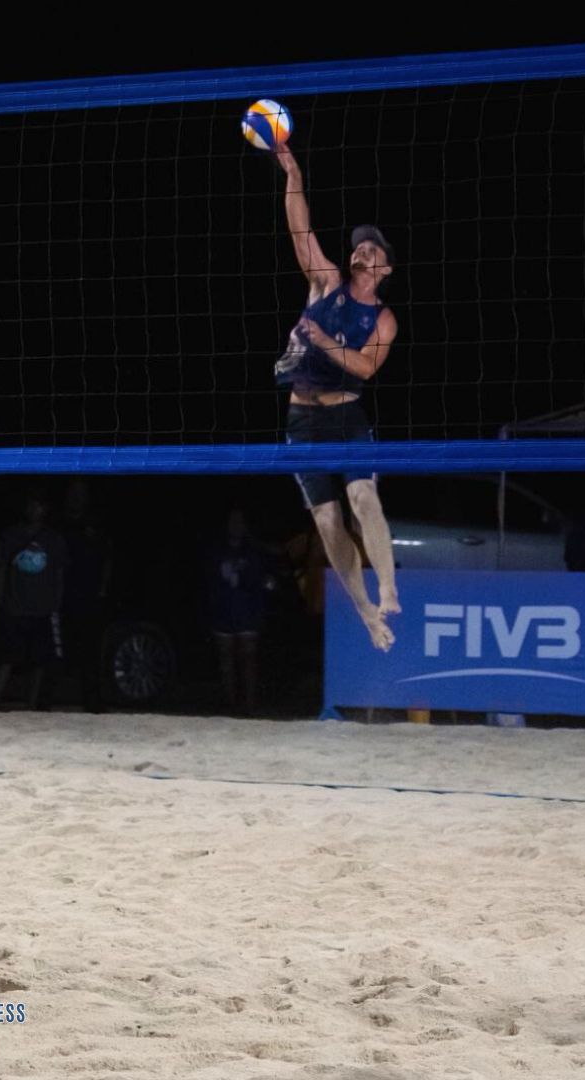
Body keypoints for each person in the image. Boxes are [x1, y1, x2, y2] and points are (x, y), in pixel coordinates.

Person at [270, 136, 400, 651]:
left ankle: (388, 586)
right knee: (326, 522)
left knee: (362, 496)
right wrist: (292, 176)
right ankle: (367, 614)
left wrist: (323, 341)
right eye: (358, 245)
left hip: (347, 416)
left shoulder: (383, 318)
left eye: (373, 248)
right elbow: (299, 229)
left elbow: (366, 368)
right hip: (302, 419)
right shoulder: (325, 283)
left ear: (384, 270)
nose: (362, 250)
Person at [0, 493, 69, 709]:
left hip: (42, 609)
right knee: (7, 658)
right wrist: (0, 601)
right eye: (32, 504)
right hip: (14, 607)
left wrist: (56, 604)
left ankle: (31, 705)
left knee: (39, 661)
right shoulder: (12, 535)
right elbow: (2, 569)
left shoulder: (53, 539)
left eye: (40, 505)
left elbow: (59, 573)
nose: (36, 510)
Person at [205, 508, 273, 715]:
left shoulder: (253, 550)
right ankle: (230, 705)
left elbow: (263, 579)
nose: (236, 525)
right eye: (232, 521)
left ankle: (250, 706)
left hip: (248, 611)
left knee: (248, 658)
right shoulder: (216, 550)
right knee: (226, 659)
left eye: (239, 521)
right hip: (223, 611)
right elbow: (210, 581)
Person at [56, 478, 112, 710]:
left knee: (91, 649)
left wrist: (102, 589)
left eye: (81, 492)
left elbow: (108, 558)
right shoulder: (59, 523)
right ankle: (50, 699)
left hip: (89, 595)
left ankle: (92, 700)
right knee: (60, 649)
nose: (77, 496)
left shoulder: (95, 524)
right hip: (62, 594)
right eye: (73, 491)